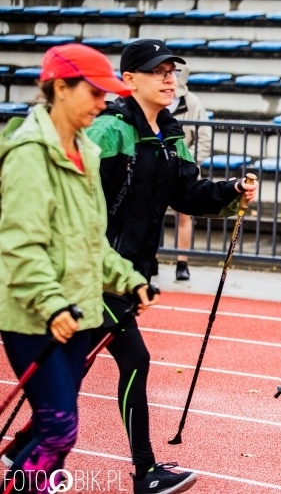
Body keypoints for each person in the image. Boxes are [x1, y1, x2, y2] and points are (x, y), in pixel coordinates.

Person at [85, 39, 258, 494]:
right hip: (88, 271)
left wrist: (231, 190)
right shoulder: (107, 132)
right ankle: (44, 459)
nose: (168, 78)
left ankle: (38, 456)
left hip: (129, 273)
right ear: (129, 80)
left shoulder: (170, 133)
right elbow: (73, 199)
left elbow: (187, 194)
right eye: (157, 70)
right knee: (117, 362)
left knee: (92, 367)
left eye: (172, 70)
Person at [0, 44, 156, 491]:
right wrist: (51, 305)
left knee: (58, 435)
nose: (103, 103)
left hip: (80, 313)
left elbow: (92, 239)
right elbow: (20, 246)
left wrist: (129, 281)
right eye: (93, 93)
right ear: (61, 88)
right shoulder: (29, 154)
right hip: (35, 317)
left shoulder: (86, 151)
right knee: (59, 430)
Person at [168, 65, 212, 281]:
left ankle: (182, 262)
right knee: (151, 212)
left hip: (184, 168)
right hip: (158, 166)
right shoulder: (154, 99)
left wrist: (185, 161)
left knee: (184, 216)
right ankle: (152, 258)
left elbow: (204, 138)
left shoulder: (192, 102)